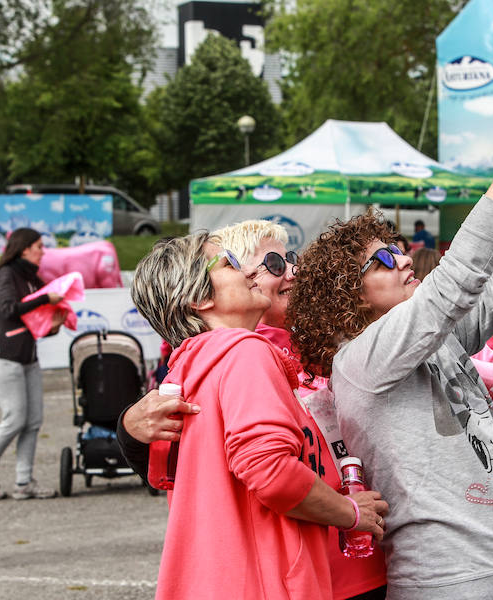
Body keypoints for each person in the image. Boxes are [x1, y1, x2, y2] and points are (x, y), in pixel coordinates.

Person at [288, 93, 493, 599]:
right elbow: (457, 279)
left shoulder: (431, 340)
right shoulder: (360, 360)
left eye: (398, 248)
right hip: (446, 585)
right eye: (384, 258)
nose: (403, 260)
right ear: (348, 293)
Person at [117, 221, 389, 600]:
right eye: (235, 264)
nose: (253, 273)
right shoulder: (245, 352)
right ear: (199, 298)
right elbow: (269, 470)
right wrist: (350, 513)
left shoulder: (190, 367)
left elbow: (181, 475)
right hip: (276, 578)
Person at [0, 228, 64, 501]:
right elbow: (8, 310)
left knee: (33, 422)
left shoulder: (31, 278)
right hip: (5, 358)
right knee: (14, 420)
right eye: (38, 246)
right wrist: (46, 299)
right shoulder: (6, 274)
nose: (42, 251)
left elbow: (33, 324)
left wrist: (53, 327)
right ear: (24, 248)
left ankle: (24, 482)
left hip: (29, 358)